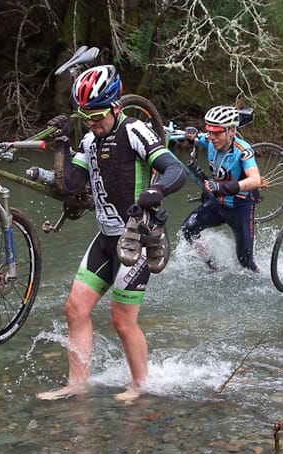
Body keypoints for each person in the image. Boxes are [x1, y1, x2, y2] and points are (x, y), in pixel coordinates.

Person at [37, 65, 187, 402]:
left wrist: (158, 191)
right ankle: (78, 384)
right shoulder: (89, 140)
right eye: (85, 117)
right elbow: (73, 184)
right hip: (106, 237)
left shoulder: (135, 131)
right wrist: (62, 146)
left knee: (121, 320)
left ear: (116, 106)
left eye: (98, 116)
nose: (92, 123)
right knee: (75, 308)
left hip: (138, 237)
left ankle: (140, 385)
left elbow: (175, 169)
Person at [181, 105, 262, 272]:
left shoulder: (243, 150)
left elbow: (255, 180)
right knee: (188, 229)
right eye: (210, 132)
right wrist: (190, 134)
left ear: (231, 131)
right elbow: (195, 137)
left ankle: (259, 274)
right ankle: (213, 266)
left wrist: (223, 187)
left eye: (217, 133)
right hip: (217, 203)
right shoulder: (210, 140)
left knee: (245, 263)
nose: (212, 137)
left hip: (240, 208)